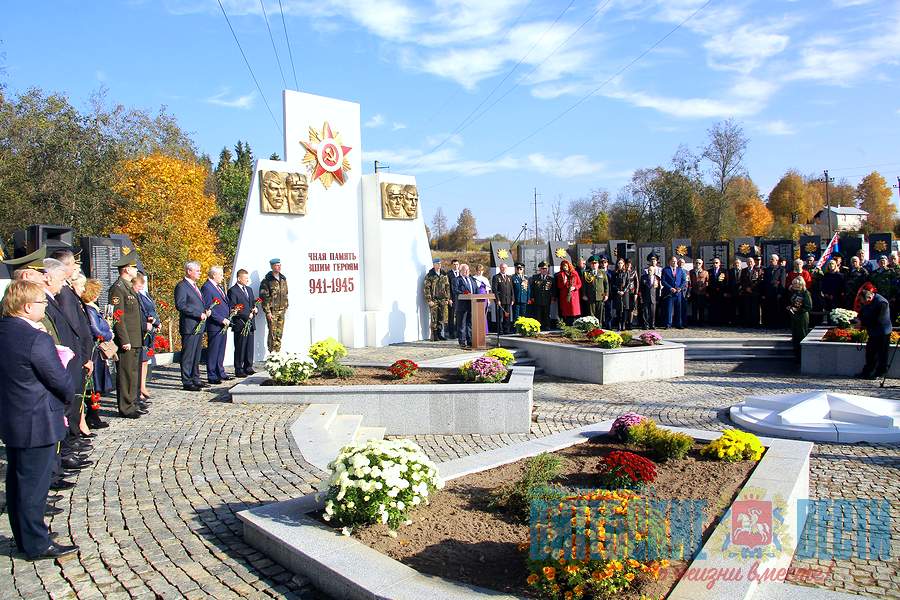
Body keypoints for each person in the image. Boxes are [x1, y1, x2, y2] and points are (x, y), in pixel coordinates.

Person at [0, 280, 79, 560]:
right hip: (38, 419)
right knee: (34, 485)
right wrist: (69, 394)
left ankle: (24, 535)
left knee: (18, 480)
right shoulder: (36, 338)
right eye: (42, 305)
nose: (45, 309)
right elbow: (58, 379)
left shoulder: (4, 330)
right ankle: (36, 542)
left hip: (12, 417)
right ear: (27, 307)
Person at [48, 250, 93, 439]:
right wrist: (84, 357)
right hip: (74, 355)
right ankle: (71, 440)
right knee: (72, 401)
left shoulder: (67, 290)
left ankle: (73, 439)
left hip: (78, 354)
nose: (76, 267)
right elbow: (74, 328)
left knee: (76, 398)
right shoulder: (65, 293)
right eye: (73, 263)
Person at [109, 254, 144, 418]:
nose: (136, 270)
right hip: (127, 339)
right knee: (125, 374)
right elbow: (118, 317)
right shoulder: (118, 288)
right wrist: (124, 340)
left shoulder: (128, 286)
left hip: (135, 337)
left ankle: (133, 402)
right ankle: (126, 407)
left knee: (133, 373)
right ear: (127, 269)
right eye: (134, 267)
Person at [79, 279, 112, 429]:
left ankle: (94, 415)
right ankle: (92, 416)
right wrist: (108, 334)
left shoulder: (93, 308)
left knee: (96, 385)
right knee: (93, 384)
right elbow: (96, 330)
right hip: (94, 350)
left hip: (97, 350)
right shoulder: (89, 309)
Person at [174, 260, 209, 392]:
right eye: (198, 271)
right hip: (190, 326)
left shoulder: (195, 286)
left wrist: (205, 310)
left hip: (198, 325)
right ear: (189, 271)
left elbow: (198, 303)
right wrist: (197, 314)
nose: (200, 273)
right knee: (188, 354)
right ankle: (187, 381)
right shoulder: (182, 286)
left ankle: (196, 378)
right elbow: (181, 305)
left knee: (196, 354)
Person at [132, 273, 160, 404]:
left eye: (142, 284)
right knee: (141, 360)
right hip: (142, 331)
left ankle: (142, 386)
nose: (141, 286)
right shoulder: (136, 296)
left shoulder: (145, 294)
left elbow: (152, 310)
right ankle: (139, 388)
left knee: (145, 361)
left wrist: (157, 322)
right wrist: (147, 324)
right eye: (139, 284)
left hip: (150, 330)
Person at [202, 266, 231, 384]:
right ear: (214, 275)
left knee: (221, 349)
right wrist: (221, 319)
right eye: (220, 275)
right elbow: (208, 307)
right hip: (215, 324)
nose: (222, 277)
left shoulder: (218, 287)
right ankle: (212, 374)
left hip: (224, 323)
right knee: (214, 350)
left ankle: (220, 371)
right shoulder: (207, 288)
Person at [855, 283, 891, 379]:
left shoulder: (882, 303)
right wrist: (859, 319)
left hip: (882, 331)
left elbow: (877, 319)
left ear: (870, 298)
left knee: (882, 353)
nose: (863, 303)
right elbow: (863, 311)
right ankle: (867, 372)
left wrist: (862, 324)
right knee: (870, 352)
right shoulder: (866, 300)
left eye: (865, 302)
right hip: (873, 330)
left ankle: (880, 372)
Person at [227, 269, 258, 376]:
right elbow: (233, 307)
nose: (247, 280)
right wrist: (246, 315)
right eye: (245, 278)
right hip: (240, 323)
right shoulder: (233, 291)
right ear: (239, 278)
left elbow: (252, 303)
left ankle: (248, 367)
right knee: (240, 346)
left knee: (249, 346)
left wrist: (255, 309)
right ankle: (239, 369)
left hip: (250, 323)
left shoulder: (249, 290)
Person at [259, 258, 288, 352]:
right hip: (272, 311)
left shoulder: (283, 279)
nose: (278, 267)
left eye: (280, 265)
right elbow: (264, 297)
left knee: (279, 334)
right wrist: (268, 312)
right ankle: (272, 355)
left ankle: (278, 355)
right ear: (272, 266)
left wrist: (286, 306)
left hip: (282, 310)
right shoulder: (267, 280)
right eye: (276, 265)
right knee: (272, 334)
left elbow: (285, 293)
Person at [423, 258, 451, 341]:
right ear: (434, 265)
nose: (439, 265)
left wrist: (447, 298)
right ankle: (434, 335)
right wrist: (429, 300)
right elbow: (426, 288)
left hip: (442, 299)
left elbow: (447, 287)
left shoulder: (444, 274)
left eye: (440, 264)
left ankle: (439, 334)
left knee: (441, 318)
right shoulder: (430, 275)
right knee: (434, 318)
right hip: (434, 300)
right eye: (437, 264)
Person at [787, 277, 812, 361]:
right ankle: (797, 355)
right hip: (794, 316)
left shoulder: (805, 293)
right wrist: (791, 307)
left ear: (800, 284)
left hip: (802, 317)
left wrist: (797, 309)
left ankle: (802, 356)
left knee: (801, 334)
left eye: (795, 284)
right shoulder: (795, 293)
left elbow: (808, 307)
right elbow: (794, 303)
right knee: (795, 336)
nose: (793, 285)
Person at [452, 264, 477, 347]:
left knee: (469, 324)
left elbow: (475, 290)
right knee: (462, 324)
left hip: (472, 305)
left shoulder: (472, 279)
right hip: (462, 305)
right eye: (464, 270)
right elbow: (455, 290)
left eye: (467, 270)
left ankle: (470, 340)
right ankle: (462, 341)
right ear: (460, 271)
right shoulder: (456, 280)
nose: (466, 271)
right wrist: (465, 293)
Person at [662, 256, 686, 329]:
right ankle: (668, 324)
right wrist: (670, 288)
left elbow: (683, 280)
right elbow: (663, 281)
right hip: (669, 292)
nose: (674, 262)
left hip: (678, 293)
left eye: (675, 261)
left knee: (678, 308)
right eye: (673, 261)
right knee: (669, 309)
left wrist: (680, 288)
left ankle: (679, 324)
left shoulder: (680, 270)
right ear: (669, 262)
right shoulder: (665, 270)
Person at [582, 256, 609, 323]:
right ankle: (593, 329)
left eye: (595, 263)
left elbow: (606, 285)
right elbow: (584, 285)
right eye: (592, 263)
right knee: (591, 315)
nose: (594, 265)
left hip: (600, 296)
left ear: (598, 264)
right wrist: (584, 294)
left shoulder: (602, 272)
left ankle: (599, 328)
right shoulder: (586, 273)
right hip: (590, 297)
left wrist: (606, 295)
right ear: (590, 264)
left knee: (600, 314)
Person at [762, 254, 786, 328]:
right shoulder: (767, 269)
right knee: (768, 308)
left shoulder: (781, 269)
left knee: (776, 308)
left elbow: (782, 282)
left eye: (772, 259)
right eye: (770, 259)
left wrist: (780, 292)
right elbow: (764, 282)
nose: (770, 261)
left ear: (776, 260)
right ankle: (769, 323)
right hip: (768, 292)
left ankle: (776, 323)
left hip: (776, 291)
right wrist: (764, 293)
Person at [555, 260, 582, 326]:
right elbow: (559, 286)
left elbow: (579, 284)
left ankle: (575, 325)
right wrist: (564, 281)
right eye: (563, 266)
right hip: (565, 296)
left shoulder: (575, 273)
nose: (565, 267)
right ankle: (567, 325)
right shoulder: (560, 274)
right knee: (566, 312)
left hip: (574, 296)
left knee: (574, 311)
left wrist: (575, 287)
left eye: (566, 266)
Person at [529, 262, 554, 331]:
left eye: (545, 269)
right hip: (537, 299)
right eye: (542, 269)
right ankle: (538, 327)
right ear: (540, 269)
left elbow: (553, 289)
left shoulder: (551, 278)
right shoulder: (535, 277)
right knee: (538, 314)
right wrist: (532, 297)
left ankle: (547, 326)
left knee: (547, 313)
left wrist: (553, 298)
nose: (544, 270)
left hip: (547, 299)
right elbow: (532, 288)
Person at [491, 262, 515, 334]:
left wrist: (513, 299)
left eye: (505, 268)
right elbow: (494, 289)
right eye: (502, 267)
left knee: (507, 316)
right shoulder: (496, 277)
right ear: (500, 268)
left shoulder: (509, 277)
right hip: (500, 300)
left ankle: (506, 330)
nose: (503, 269)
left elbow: (512, 289)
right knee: (499, 316)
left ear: (506, 269)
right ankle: (500, 330)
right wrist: (497, 300)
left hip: (508, 300)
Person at [610, 258, 633, 331]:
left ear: (623, 264)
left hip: (625, 294)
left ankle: (624, 324)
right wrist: (617, 291)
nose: (620, 264)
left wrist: (624, 291)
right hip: (617, 294)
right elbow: (612, 284)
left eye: (621, 263)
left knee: (625, 310)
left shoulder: (626, 272)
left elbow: (628, 283)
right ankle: (619, 325)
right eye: (619, 263)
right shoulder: (615, 273)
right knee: (618, 310)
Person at [639, 254, 661, 329]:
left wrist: (657, 298)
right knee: (645, 312)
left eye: (651, 270)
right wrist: (641, 297)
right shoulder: (643, 277)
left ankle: (652, 324)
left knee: (653, 313)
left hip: (653, 298)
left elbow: (658, 289)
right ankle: (646, 325)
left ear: (654, 271)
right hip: (645, 297)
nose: (650, 271)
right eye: (649, 270)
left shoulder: (657, 278)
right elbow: (641, 288)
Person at [739, 257, 762, 327]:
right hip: (746, 292)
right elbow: (742, 281)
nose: (750, 263)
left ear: (754, 263)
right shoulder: (743, 270)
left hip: (755, 292)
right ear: (746, 263)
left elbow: (759, 281)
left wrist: (751, 288)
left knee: (755, 308)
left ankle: (755, 323)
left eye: (751, 262)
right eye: (748, 262)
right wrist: (746, 288)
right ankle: (747, 322)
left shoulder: (758, 270)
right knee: (747, 308)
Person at [689, 258, 709, 325]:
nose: (698, 264)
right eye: (696, 263)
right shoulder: (691, 272)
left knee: (701, 308)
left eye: (699, 263)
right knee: (694, 307)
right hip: (694, 292)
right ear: (694, 263)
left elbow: (707, 282)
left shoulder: (705, 272)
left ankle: (701, 322)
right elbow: (689, 281)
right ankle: (694, 321)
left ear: (702, 264)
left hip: (702, 293)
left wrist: (704, 288)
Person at [706, 257, 726, 325]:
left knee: (721, 307)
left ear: (719, 263)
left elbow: (726, 282)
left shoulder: (724, 271)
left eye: (716, 262)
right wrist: (708, 292)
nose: (715, 264)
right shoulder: (709, 271)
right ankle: (712, 321)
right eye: (714, 263)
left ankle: (721, 321)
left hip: (721, 292)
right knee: (712, 307)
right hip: (712, 292)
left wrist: (723, 290)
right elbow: (708, 282)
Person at [726, 258, 743, 326]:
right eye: (735, 263)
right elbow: (727, 282)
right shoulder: (730, 271)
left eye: (738, 263)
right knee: (732, 308)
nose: (737, 264)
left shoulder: (743, 271)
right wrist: (727, 292)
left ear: (740, 264)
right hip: (732, 292)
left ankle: (741, 321)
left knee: (741, 308)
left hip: (741, 292)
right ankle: (732, 321)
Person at [446, 259, 461, 337]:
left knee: (459, 316)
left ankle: (459, 333)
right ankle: (451, 333)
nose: (456, 266)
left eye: (457, 264)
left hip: (461, 298)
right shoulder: (448, 274)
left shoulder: (461, 273)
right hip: (452, 298)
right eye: (454, 264)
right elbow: (447, 288)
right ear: (452, 265)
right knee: (451, 316)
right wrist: (449, 298)